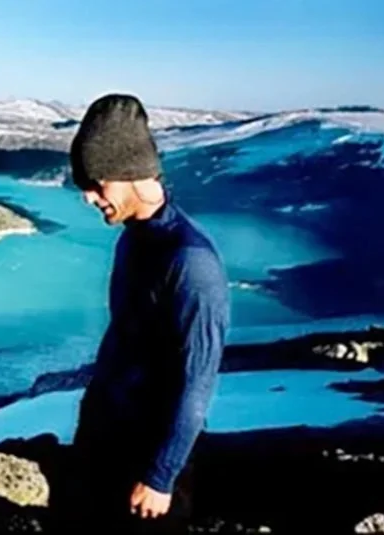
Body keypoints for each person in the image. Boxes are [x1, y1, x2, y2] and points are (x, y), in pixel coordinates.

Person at [56, 93, 231, 534]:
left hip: (149, 454)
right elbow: (124, 333)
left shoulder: (190, 261)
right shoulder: (133, 238)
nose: (89, 198)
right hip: (105, 433)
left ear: (129, 172)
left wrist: (160, 475)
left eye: (97, 184)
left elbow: (197, 379)